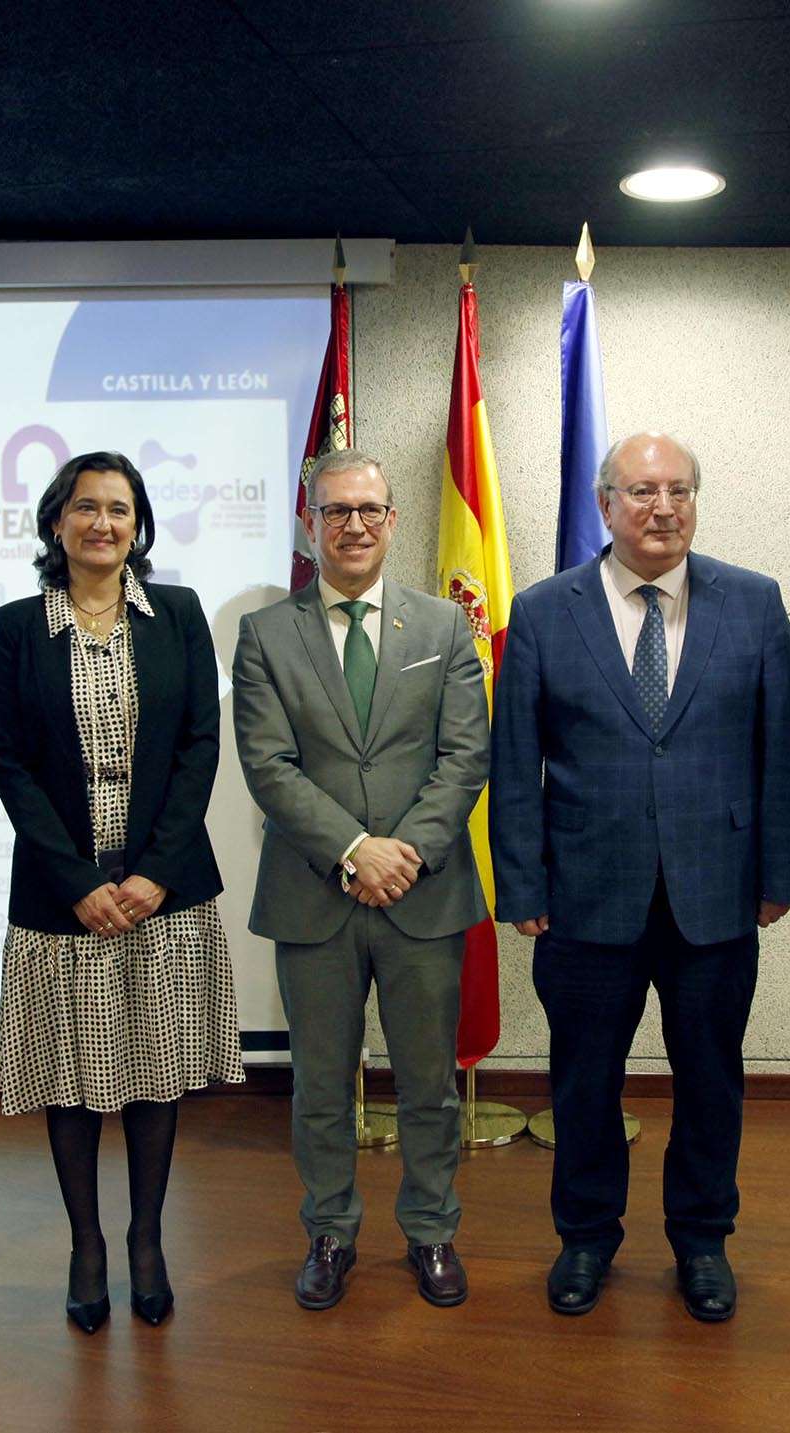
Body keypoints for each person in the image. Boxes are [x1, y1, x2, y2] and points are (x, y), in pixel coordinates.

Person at [490, 431, 790, 1323]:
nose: (661, 507)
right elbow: (515, 762)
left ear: (695, 501)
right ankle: (586, 1236)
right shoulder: (546, 610)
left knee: (711, 1076)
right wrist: (522, 888)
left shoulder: (753, 602)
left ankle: (702, 1239)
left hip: (719, 892)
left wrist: (781, 873)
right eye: (641, 490)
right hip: (585, 898)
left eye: (678, 489)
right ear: (605, 504)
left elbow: (781, 749)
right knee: (583, 1079)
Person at [0, 450, 242, 1334]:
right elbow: (11, 766)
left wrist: (152, 873)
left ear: (139, 527)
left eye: (120, 510)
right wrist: (79, 881)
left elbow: (199, 747)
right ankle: (85, 1244)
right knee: (71, 1077)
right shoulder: (18, 626)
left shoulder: (175, 614)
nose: (103, 524)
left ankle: (146, 1241)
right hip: (64, 903)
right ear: (56, 522)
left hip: (161, 896)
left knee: (153, 1073)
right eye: (86, 508)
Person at [231, 448, 491, 1311]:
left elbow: (465, 756)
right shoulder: (266, 635)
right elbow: (268, 766)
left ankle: (431, 1231)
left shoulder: (445, 628)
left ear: (392, 520)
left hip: (423, 893)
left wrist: (402, 850)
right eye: (337, 511)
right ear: (310, 523)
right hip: (316, 897)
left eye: (370, 510)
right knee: (320, 1086)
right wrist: (353, 848)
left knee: (429, 1085)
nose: (354, 525)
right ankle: (332, 1231)